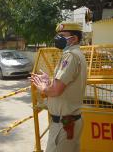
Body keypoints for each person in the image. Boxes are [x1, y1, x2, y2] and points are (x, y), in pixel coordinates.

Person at [30, 22, 87, 152]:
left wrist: (43, 87)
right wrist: (49, 81)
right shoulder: (76, 54)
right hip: (69, 122)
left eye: (62, 35)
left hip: (64, 125)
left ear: (74, 38)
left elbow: (56, 90)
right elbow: (65, 85)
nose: (58, 38)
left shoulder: (70, 56)